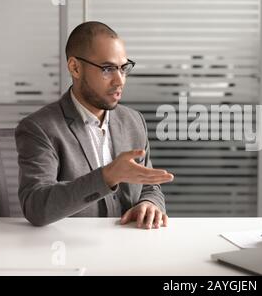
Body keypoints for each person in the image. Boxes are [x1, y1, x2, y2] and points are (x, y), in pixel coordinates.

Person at [16, 21, 174, 228]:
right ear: (75, 67)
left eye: (123, 68)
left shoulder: (134, 121)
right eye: (107, 69)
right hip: (68, 252)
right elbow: (37, 207)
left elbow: (149, 187)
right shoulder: (39, 128)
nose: (120, 81)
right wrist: (108, 176)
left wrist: (149, 204)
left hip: (129, 247)